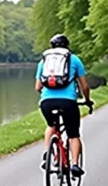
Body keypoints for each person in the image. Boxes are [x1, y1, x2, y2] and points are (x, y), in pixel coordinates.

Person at [35, 34, 92, 177]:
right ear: (67, 45)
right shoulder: (74, 59)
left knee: (51, 127)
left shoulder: (44, 62)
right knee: (73, 134)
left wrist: (48, 96)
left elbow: (37, 87)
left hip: (47, 102)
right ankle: (74, 165)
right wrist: (87, 100)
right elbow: (84, 85)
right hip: (68, 103)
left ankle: (48, 154)